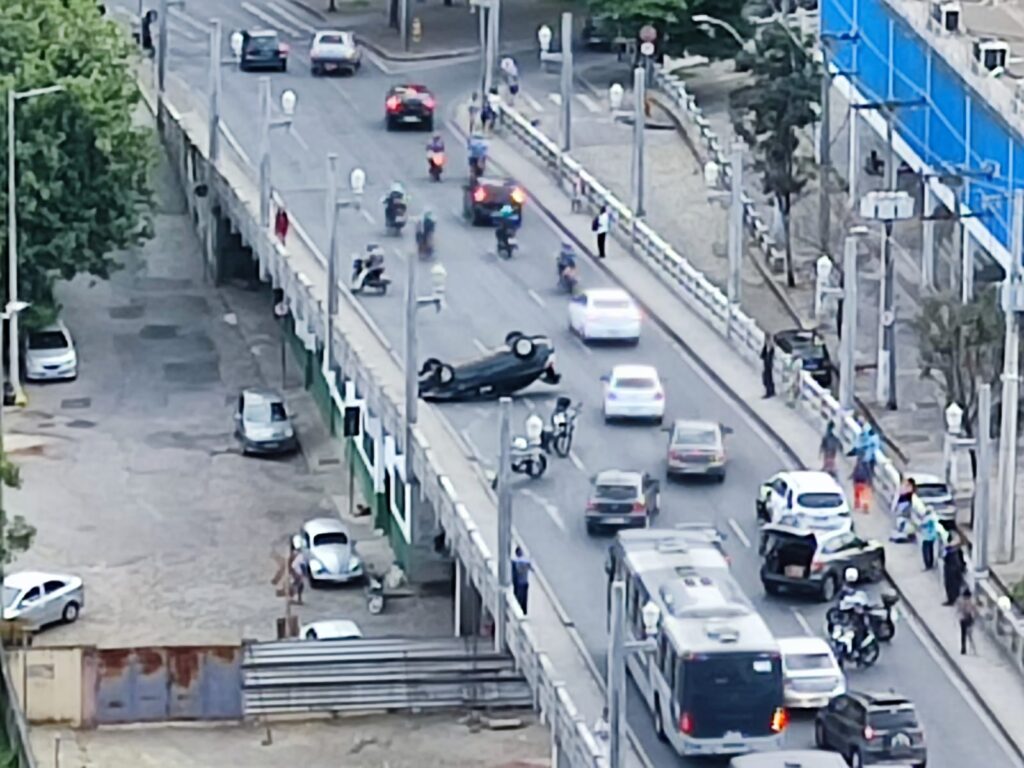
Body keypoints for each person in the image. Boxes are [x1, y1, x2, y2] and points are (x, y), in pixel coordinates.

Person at [942, 536, 966, 606]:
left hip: (951, 569)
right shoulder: (956, 551)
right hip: (954, 569)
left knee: (950, 585)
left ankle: (951, 599)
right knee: (955, 585)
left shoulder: (950, 552)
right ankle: (954, 598)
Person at [918, 502, 941, 570]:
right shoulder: (934, 517)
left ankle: (928, 564)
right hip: (932, 537)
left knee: (925, 551)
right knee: (930, 550)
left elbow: (921, 525)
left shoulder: (928, 518)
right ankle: (930, 563)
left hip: (927, 537)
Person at [956, 586, 977, 655]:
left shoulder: (960, 601)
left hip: (963, 619)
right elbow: (974, 610)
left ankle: (964, 648)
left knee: (963, 634)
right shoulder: (972, 602)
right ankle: (972, 649)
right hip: (969, 618)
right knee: (970, 635)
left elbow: (959, 610)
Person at [511, 546, 531, 614]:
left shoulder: (515, 562)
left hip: (519, 583)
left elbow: (514, 573)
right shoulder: (526, 561)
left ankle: (520, 611)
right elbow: (531, 568)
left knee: (519, 598)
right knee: (524, 599)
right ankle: (524, 611)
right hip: (525, 582)